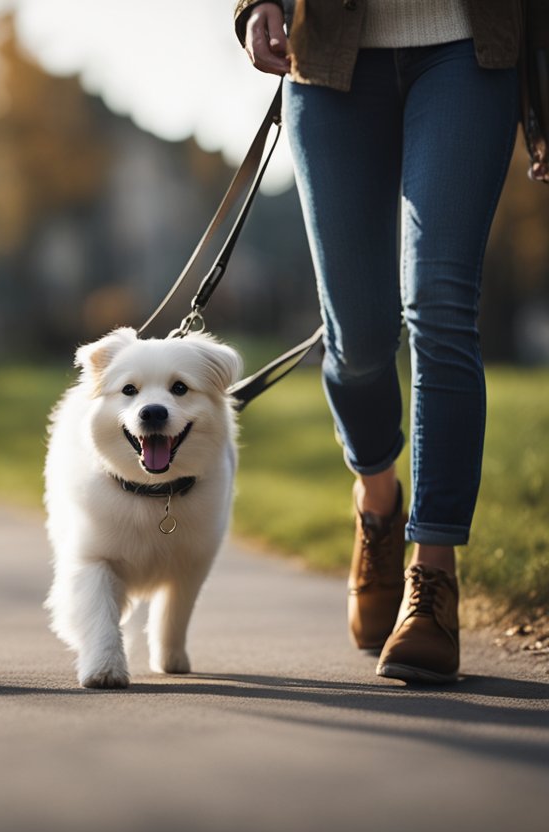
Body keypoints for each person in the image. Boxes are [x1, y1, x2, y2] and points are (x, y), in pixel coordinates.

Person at [234, 0, 523, 683]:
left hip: (470, 48)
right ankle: (377, 501)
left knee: (442, 303)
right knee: (359, 335)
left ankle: (432, 580)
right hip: (332, 58)